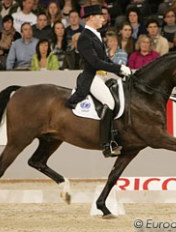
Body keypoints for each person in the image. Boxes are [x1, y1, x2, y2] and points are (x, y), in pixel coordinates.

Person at [66, 5, 132, 157]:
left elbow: (105, 60)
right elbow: (95, 63)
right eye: (100, 16)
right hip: (91, 78)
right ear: (90, 18)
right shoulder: (84, 38)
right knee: (110, 102)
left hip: (102, 77)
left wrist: (122, 73)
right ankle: (106, 144)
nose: (103, 19)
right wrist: (118, 68)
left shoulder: (96, 35)